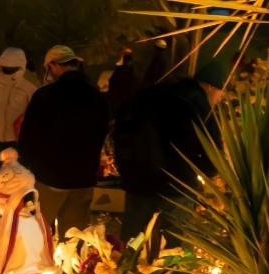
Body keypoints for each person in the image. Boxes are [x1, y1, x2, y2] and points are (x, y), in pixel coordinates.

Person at [115, 61, 226, 242]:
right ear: (210, 87)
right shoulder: (199, 104)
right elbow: (213, 154)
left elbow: (122, 131)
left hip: (139, 182)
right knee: (176, 245)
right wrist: (202, 173)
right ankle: (173, 270)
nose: (219, 99)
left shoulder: (152, 94)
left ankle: (127, 268)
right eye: (220, 93)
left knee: (133, 240)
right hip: (177, 187)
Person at [18, 45, 109, 234]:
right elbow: (102, 133)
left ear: (53, 65)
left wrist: (27, 167)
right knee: (75, 239)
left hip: (49, 177)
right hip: (82, 177)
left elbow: (28, 137)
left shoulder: (46, 95)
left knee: (38, 234)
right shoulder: (97, 97)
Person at [0, 47, 37, 165]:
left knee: (18, 169)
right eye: (5, 67)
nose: (7, 70)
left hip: (16, 137)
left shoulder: (29, 84)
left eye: (10, 68)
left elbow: (36, 107)